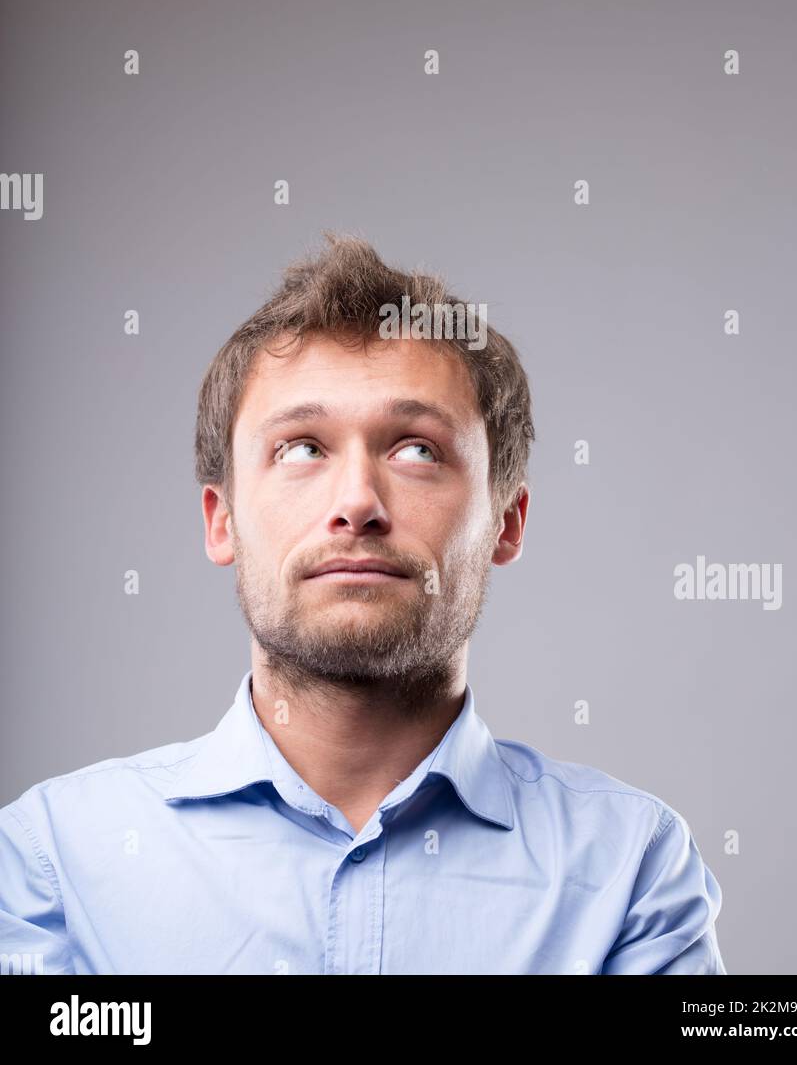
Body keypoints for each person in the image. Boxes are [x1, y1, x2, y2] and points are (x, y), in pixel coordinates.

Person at [0, 232, 725, 975]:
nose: (356, 504)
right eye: (301, 449)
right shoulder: (48, 860)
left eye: (416, 450)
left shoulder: (631, 868)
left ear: (505, 522)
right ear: (221, 521)